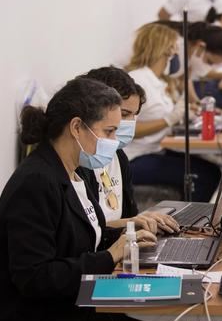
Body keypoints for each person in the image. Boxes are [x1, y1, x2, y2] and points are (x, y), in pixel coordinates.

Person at [0, 78, 188, 321]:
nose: (114, 141)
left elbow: (81, 235)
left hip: (67, 304)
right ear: (76, 127)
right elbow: (35, 278)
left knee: (167, 317)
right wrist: (110, 256)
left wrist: (129, 234)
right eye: (109, 131)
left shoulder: (76, 173)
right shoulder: (36, 182)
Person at [76, 66, 180, 235]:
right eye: (124, 114)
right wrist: (132, 224)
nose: (130, 123)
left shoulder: (118, 156)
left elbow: (129, 216)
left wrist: (145, 221)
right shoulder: (81, 160)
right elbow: (87, 232)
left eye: (134, 115)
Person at [124, 23, 221, 202]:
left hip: (157, 149)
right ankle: (192, 224)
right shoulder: (137, 80)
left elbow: (164, 115)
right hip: (135, 158)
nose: (177, 56)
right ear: (165, 50)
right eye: (175, 50)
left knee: (214, 169)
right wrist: (169, 119)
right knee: (203, 177)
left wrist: (184, 114)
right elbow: (126, 130)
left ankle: (193, 219)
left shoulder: (158, 82)